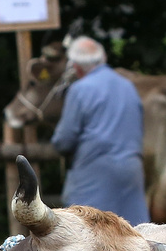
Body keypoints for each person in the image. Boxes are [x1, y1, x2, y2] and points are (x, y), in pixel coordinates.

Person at [49, 37, 148, 225]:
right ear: (102, 58)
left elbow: (64, 140)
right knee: (134, 232)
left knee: (88, 233)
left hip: (94, 175)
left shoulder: (80, 89)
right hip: (131, 171)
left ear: (76, 67)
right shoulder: (128, 86)